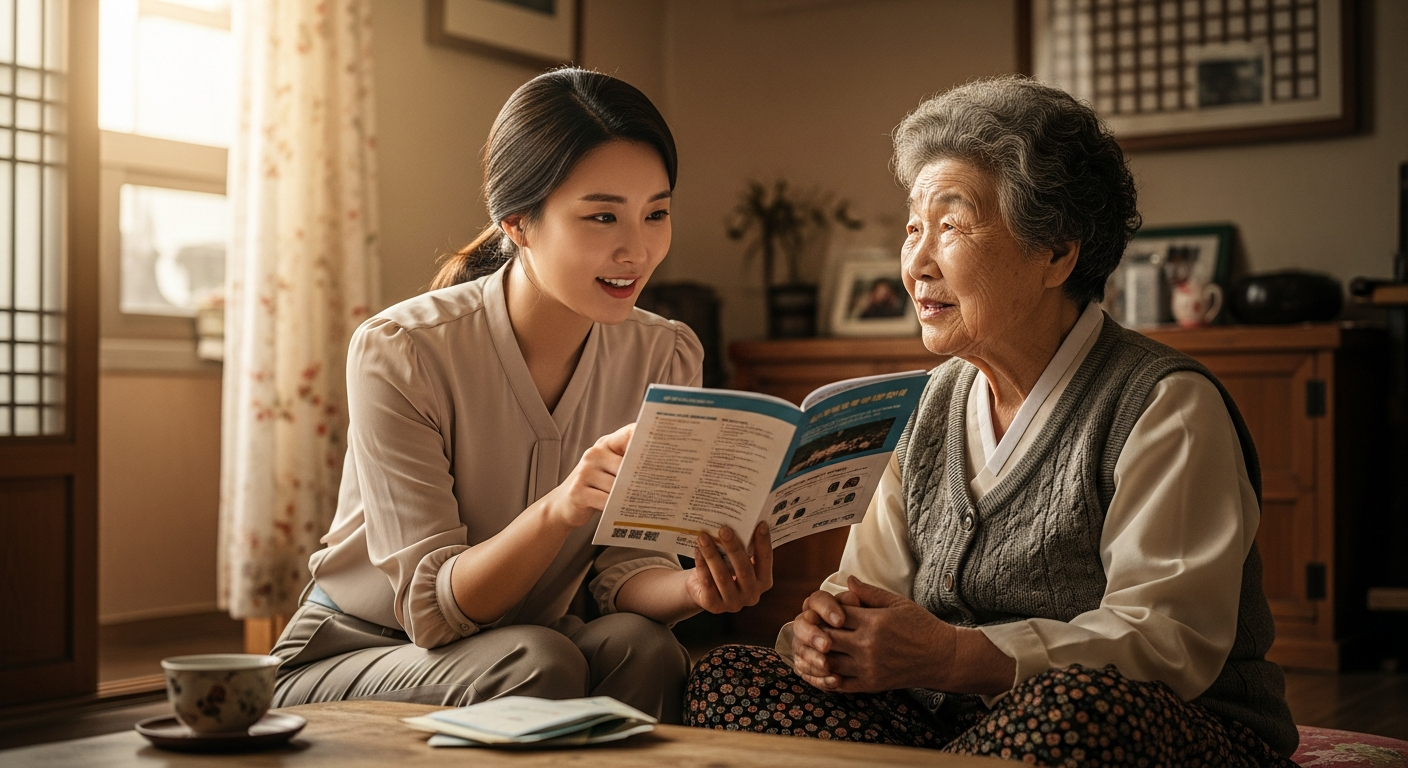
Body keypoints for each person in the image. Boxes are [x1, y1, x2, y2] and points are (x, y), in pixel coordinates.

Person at [684, 76, 1299, 767]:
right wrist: (826, 635)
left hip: (1165, 729)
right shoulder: (923, 407)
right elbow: (869, 588)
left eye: (950, 226)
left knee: (1075, 709)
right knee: (727, 677)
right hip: (957, 731)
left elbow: (1169, 642)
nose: (916, 263)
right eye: (913, 229)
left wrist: (958, 656)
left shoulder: (1163, 405)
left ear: (1057, 253)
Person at [269, 69, 773, 724]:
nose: (637, 249)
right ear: (518, 222)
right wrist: (561, 508)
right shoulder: (401, 350)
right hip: (356, 651)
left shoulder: (666, 354)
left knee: (644, 648)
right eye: (602, 216)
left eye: (656, 213)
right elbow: (428, 610)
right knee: (540, 661)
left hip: (525, 648)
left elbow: (625, 573)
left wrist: (696, 589)